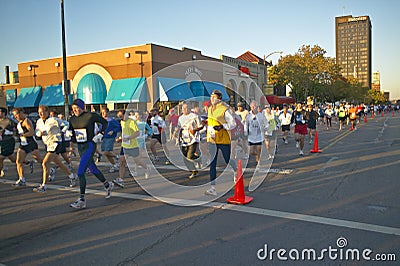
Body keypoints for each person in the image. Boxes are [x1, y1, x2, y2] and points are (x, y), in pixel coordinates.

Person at [68, 99, 114, 209]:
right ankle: (108, 185)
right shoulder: (72, 119)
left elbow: (105, 123)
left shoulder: (90, 116)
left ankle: (82, 199)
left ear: (82, 107)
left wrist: (100, 134)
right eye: (73, 109)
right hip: (80, 146)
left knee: (80, 172)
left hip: (90, 145)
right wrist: (69, 135)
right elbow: (72, 133)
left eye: (77, 108)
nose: (75, 110)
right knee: (93, 169)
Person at [33, 105, 77, 192]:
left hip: (55, 143)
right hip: (47, 143)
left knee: (45, 163)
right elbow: (37, 131)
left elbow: (67, 124)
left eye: (42, 112)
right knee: (59, 163)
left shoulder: (54, 120)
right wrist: (39, 133)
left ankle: (44, 185)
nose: (40, 114)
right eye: (39, 112)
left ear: (47, 112)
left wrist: (62, 131)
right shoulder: (39, 121)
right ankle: (72, 176)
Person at [205, 90, 237, 196]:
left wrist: (222, 126)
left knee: (227, 159)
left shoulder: (224, 110)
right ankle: (213, 188)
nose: (212, 99)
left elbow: (233, 124)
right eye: (211, 97)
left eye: (214, 97)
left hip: (223, 138)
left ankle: (236, 170)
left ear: (219, 99)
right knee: (212, 163)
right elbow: (210, 123)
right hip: (212, 139)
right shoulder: (209, 109)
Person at [113, 110, 150, 188]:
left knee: (137, 161)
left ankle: (147, 168)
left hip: (133, 146)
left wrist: (129, 138)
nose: (120, 118)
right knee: (122, 162)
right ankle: (121, 180)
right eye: (119, 117)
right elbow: (123, 132)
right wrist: (120, 138)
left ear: (125, 115)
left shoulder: (132, 122)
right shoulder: (122, 122)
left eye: (121, 116)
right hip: (124, 146)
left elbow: (137, 133)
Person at [12, 107, 43, 187]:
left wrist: (23, 135)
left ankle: (50, 171)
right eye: (14, 115)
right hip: (23, 144)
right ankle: (21, 179)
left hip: (30, 143)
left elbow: (32, 132)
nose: (15, 117)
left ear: (21, 113)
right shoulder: (19, 123)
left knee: (41, 161)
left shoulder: (26, 121)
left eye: (16, 115)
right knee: (18, 161)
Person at [176, 102, 203, 179]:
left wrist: (194, 130)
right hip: (184, 140)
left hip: (193, 139)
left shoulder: (194, 116)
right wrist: (177, 133)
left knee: (189, 156)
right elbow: (179, 128)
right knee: (185, 158)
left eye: (187, 108)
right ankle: (195, 167)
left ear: (190, 108)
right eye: (184, 108)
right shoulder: (180, 118)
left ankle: (195, 166)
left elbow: (201, 126)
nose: (185, 109)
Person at [100, 107, 121, 173]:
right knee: (106, 153)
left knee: (107, 151)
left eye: (105, 112)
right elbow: (101, 129)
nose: (103, 114)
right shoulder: (102, 121)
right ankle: (115, 165)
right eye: (102, 113)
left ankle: (117, 156)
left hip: (110, 137)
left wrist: (113, 131)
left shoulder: (112, 120)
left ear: (108, 113)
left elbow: (118, 127)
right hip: (104, 137)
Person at [0, 107, 17, 177]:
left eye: (0, 112)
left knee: (2, 157)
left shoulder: (8, 121)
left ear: (4, 113)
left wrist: (4, 132)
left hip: (8, 142)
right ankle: (26, 162)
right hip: (1, 142)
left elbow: (14, 131)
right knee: (9, 158)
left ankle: (23, 161)